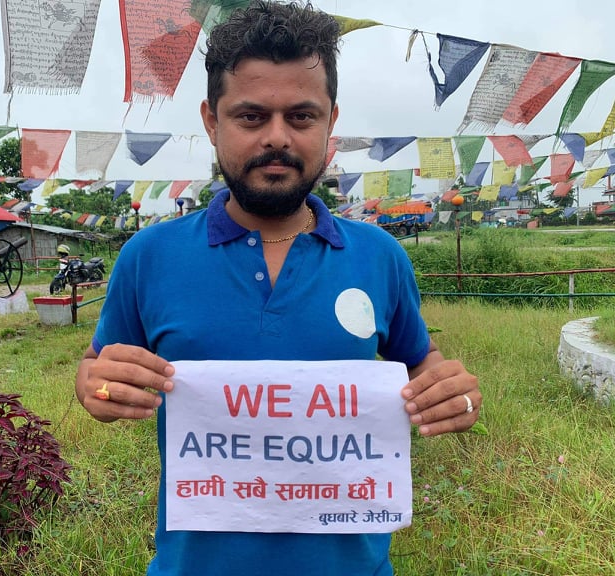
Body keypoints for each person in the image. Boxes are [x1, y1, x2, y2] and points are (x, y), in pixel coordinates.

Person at [75, 2, 481, 574]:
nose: (276, 138)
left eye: (301, 116)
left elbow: (422, 364)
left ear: (330, 122)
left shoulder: (380, 256)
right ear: (211, 121)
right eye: (250, 117)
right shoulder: (149, 257)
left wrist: (453, 393)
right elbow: (94, 369)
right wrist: (95, 386)